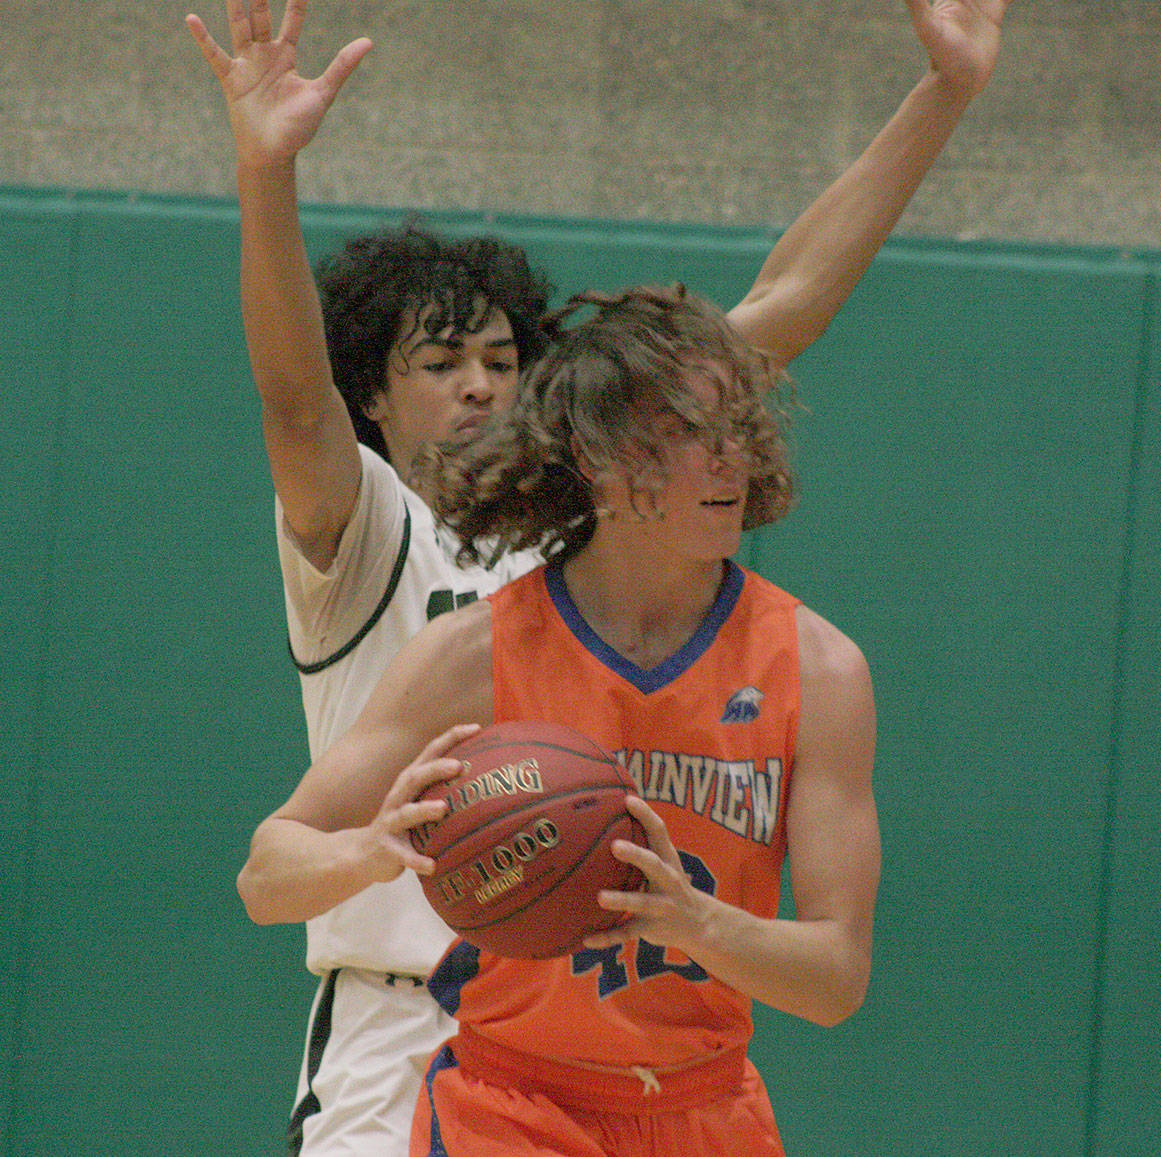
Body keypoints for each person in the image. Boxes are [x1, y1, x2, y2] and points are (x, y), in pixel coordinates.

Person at [185, 0, 1009, 1151]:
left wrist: (945, 92)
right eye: (438, 362)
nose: (478, 385)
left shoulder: (611, 513)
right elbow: (288, 390)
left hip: (630, 1029)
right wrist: (261, 169)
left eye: (500, 358)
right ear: (373, 392)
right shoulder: (370, 529)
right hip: (409, 1007)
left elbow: (779, 313)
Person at [248, 283, 878, 1156]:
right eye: (692, 430)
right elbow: (266, 873)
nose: (729, 457)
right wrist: (371, 846)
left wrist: (696, 921)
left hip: (707, 1108)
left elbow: (837, 976)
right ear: (597, 452)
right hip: (514, 1108)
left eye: (739, 427)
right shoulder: (475, 653)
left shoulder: (819, 669)